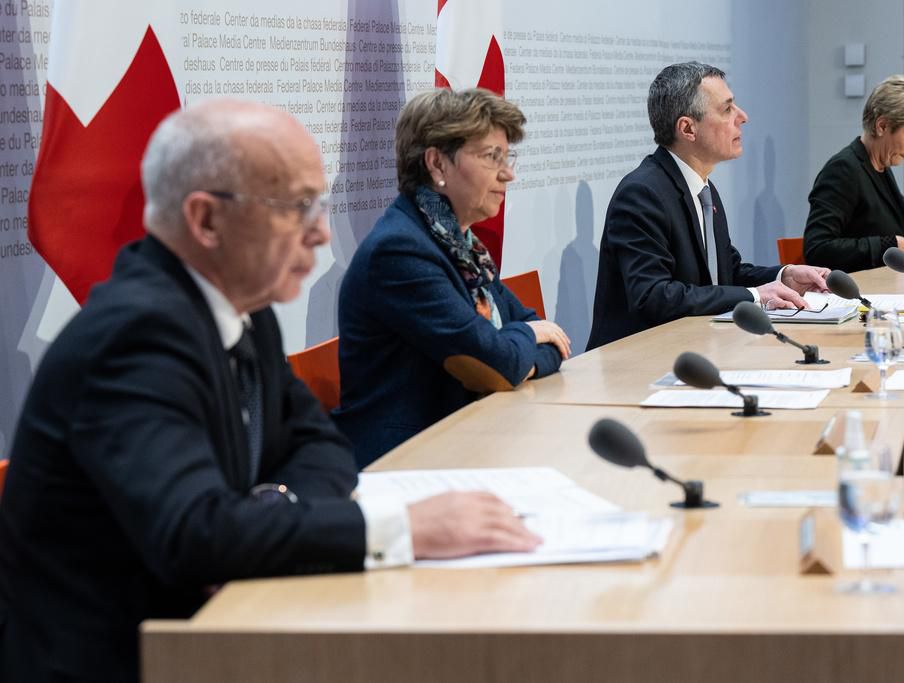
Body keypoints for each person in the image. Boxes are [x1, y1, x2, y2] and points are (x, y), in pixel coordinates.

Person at [0, 100, 539, 683]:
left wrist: (260, 520)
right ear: (206, 221)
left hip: (218, 627)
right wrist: (404, 529)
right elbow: (197, 535)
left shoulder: (240, 310)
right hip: (121, 659)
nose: (321, 233)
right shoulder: (133, 338)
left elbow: (322, 445)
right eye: (296, 207)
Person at [335, 88, 570, 468]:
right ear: (437, 164)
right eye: (491, 157)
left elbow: (539, 338)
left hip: (464, 439)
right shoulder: (400, 251)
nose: (508, 173)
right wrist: (525, 342)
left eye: (506, 156)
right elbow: (502, 360)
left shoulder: (457, 242)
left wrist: (520, 347)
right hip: (404, 461)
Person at [587, 62, 829, 350]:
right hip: (636, 363)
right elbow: (653, 296)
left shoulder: (702, 186)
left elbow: (725, 271)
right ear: (688, 128)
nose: (743, 117)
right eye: (727, 110)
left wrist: (782, 276)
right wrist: (754, 296)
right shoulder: (642, 194)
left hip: (691, 349)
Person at [803, 75, 904, 272]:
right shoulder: (843, 170)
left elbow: (879, 235)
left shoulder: (880, 168)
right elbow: (818, 249)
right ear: (882, 126)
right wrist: (889, 246)